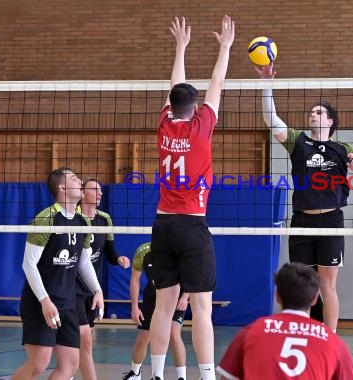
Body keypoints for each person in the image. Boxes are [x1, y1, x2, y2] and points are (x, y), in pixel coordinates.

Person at [256, 63, 353, 331]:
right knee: (301, 284)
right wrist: (267, 85)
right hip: (302, 222)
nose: (313, 115)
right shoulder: (297, 142)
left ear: (330, 121)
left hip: (331, 223)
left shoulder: (342, 149)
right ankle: (304, 330)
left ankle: (330, 337)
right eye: (312, 111)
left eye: (319, 112)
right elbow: (270, 119)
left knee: (327, 285)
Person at [149, 15, 234, 380]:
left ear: (171, 106)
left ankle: (155, 374)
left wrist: (180, 46)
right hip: (192, 225)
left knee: (163, 307)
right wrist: (225, 47)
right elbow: (217, 82)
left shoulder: (164, 125)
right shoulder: (201, 130)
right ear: (195, 107)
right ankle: (207, 376)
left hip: (163, 223)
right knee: (202, 307)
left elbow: (177, 85)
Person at [13, 167, 105, 380]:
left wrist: (97, 290)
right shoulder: (46, 219)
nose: (80, 181)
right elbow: (29, 265)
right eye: (75, 179)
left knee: (70, 365)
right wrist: (45, 301)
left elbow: (83, 261)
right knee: (38, 364)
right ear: (62, 188)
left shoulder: (83, 222)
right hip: (40, 303)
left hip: (68, 303)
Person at [217, 262, 353, 379]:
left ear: (277, 296)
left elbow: (227, 378)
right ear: (315, 298)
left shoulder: (250, 332)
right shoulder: (334, 343)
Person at [75, 177, 131, 380]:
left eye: (101, 190)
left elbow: (109, 251)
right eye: (94, 189)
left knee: (84, 338)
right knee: (81, 338)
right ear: (83, 193)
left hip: (92, 287)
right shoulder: (73, 217)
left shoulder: (104, 219)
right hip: (72, 287)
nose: (100, 193)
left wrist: (119, 259)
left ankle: (68, 372)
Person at [122, 242, 190, 380]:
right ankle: (135, 373)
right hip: (152, 297)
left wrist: (185, 297)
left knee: (173, 333)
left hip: (175, 297)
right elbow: (135, 279)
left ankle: (182, 377)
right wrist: (134, 306)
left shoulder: (179, 249)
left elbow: (190, 275)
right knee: (143, 336)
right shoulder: (143, 251)